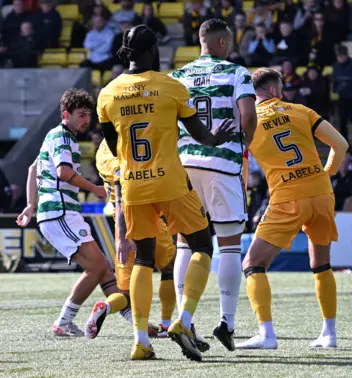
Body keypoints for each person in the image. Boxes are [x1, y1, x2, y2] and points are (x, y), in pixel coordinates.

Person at [97, 24, 235, 361]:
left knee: (144, 259)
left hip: (132, 186)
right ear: (152, 51)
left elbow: (114, 147)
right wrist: (217, 137)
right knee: (202, 243)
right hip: (171, 182)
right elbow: (201, 136)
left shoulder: (107, 94)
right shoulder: (171, 88)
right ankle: (184, 320)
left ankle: (141, 340)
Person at [237, 68, 349, 349]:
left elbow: (241, 166)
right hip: (322, 193)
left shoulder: (248, 122)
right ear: (275, 90)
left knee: (252, 264)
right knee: (321, 265)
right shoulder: (302, 110)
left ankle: (266, 334)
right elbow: (341, 144)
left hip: (287, 196)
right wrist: (327, 174)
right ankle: (329, 334)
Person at [170, 18, 258, 352]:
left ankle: (185, 319)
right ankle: (227, 323)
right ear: (223, 42)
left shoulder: (179, 76)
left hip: (184, 165)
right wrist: (243, 144)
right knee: (230, 245)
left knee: (185, 243)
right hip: (221, 163)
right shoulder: (236, 72)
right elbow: (248, 117)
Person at [15, 89, 127, 338]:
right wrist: (95, 188)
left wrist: (31, 204)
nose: (86, 121)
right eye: (81, 115)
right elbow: (64, 173)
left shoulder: (53, 136)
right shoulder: (63, 138)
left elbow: (34, 169)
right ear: (66, 114)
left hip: (59, 213)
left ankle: (136, 322)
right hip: (60, 213)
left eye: (88, 115)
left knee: (103, 268)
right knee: (97, 266)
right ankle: (63, 321)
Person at [83, 140, 178, 340]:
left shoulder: (102, 151)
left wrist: (122, 237)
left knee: (125, 294)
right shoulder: (122, 151)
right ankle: (166, 323)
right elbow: (122, 195)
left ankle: (107, 306)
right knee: (168, 266)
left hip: (121, 225)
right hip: (139, 215)